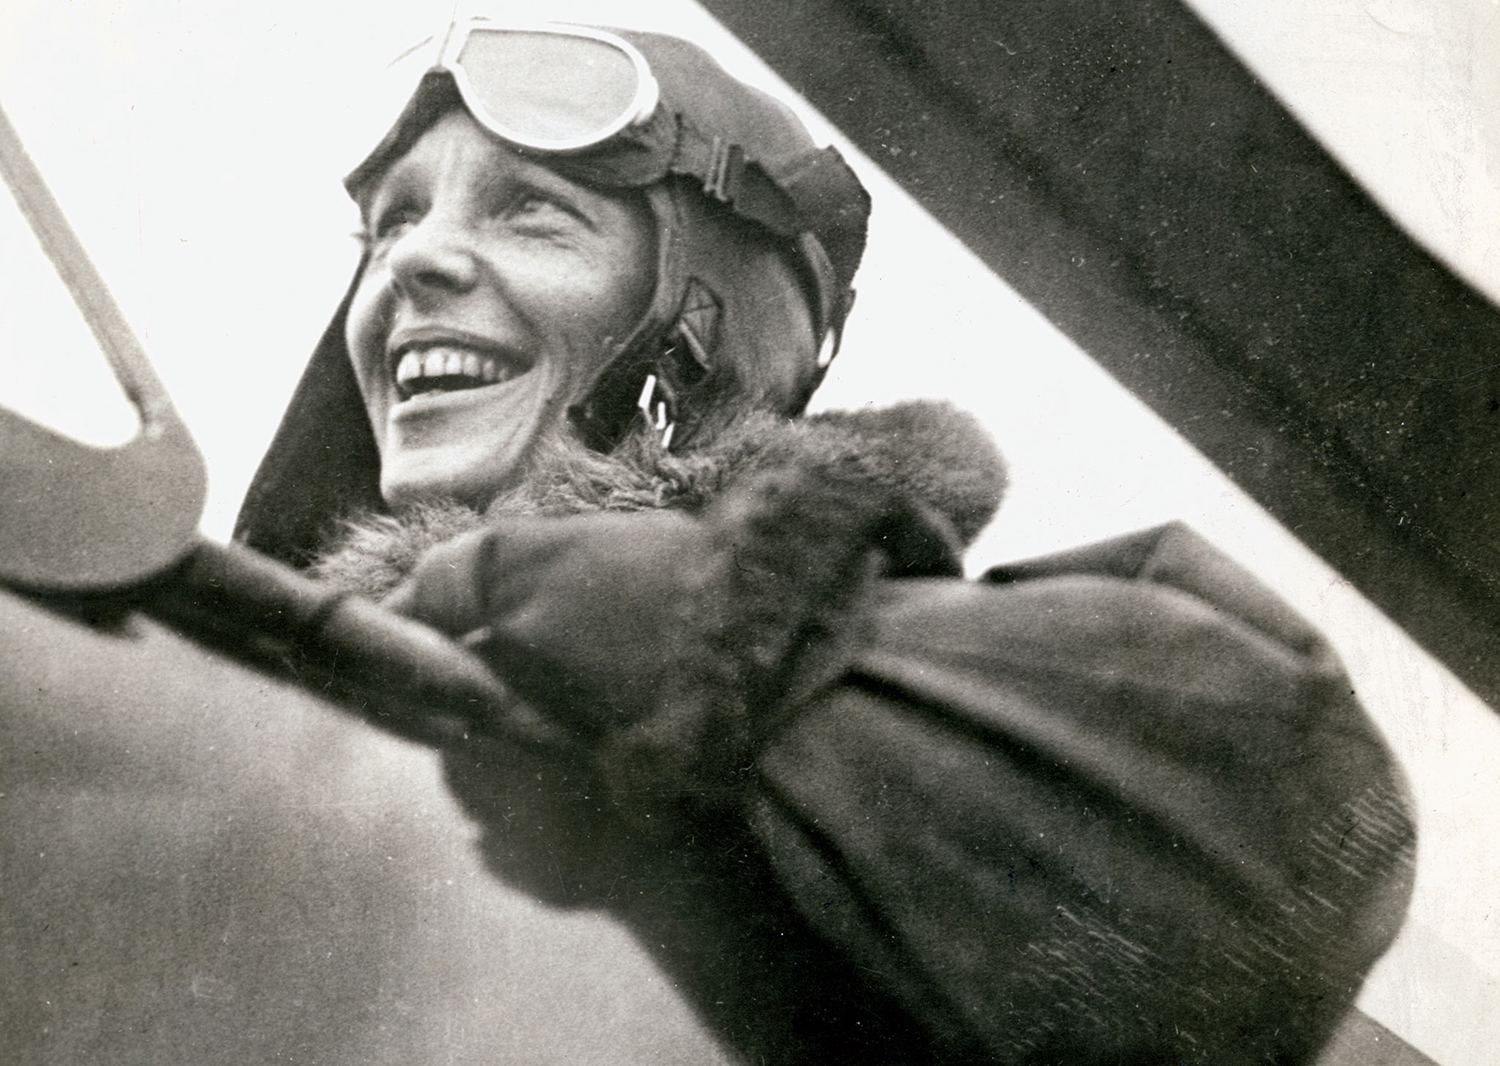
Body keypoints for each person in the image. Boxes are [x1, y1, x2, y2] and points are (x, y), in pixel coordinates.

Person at [235, 21, 1415, 1066]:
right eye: (391, 221)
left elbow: (1290, 810)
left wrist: (749, 646)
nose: (408, 262)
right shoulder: (252, 685)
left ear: (702, 325)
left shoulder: (907, 662)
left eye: (531, 209)